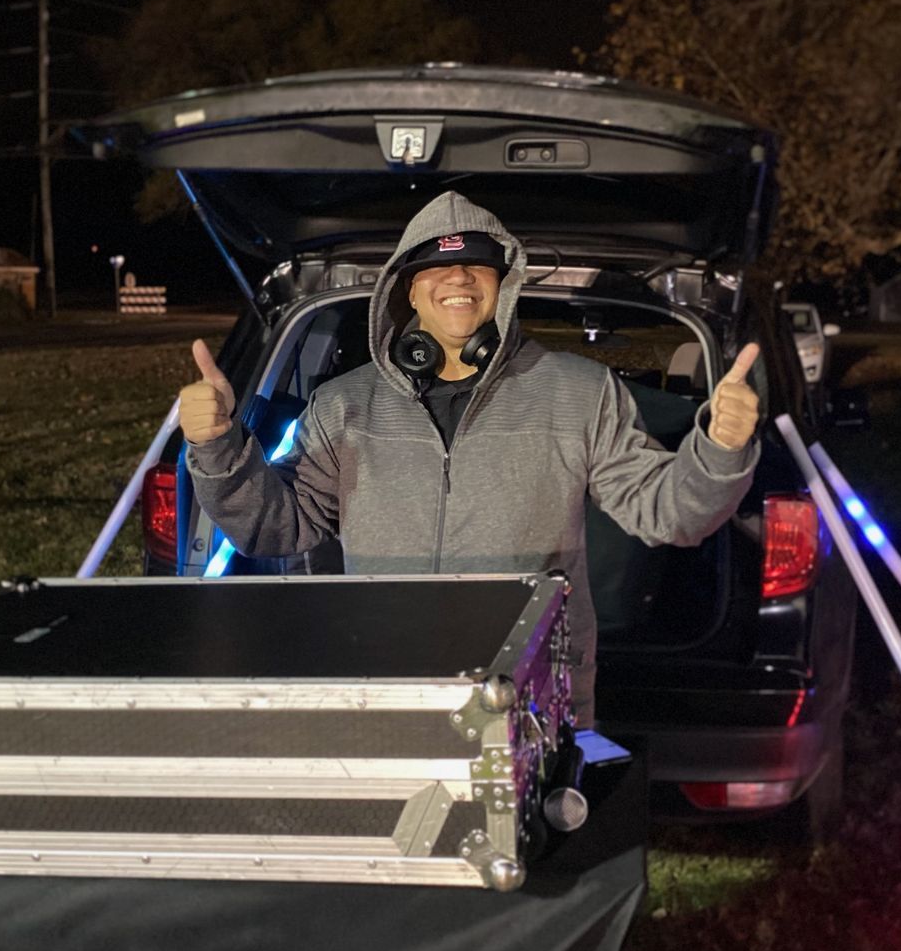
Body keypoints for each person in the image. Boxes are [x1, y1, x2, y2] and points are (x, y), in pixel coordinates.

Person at [176, 190, 761, 725]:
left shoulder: (579, 392)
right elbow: (276, 528)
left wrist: (719, 449)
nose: (457, 275)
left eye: (477, 264)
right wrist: (218, 445)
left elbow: (668, 514)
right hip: (383, 687)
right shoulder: (343, 404)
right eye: (435, 265)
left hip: (529, 695)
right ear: (407, 290)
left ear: (504, 285)